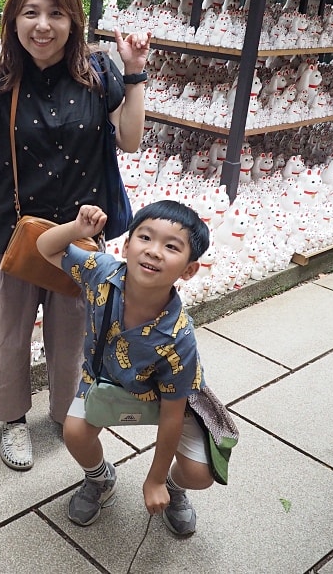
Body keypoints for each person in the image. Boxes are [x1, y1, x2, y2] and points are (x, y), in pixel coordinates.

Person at [0, 0, 150, 471]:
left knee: (73, 335)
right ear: (12, 21)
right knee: (6, 334)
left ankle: (65, 411)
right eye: (30, 13)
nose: (42, 25)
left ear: (73, 22)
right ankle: (11, 422)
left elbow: (129, 139)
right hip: (12, 235)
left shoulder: (97, 76)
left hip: (80, 238)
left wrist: (134, 72)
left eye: (55, 13)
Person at [36, 200, 214, 534]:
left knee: (201, 473)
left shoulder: (179, 338)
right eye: (145, 238)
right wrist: (78, 230)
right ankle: (100, 479)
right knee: (74, 431)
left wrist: (157, 479)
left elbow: (173, 414)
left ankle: (175, 491)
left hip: (167, 398)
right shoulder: (102, 272)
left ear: (189, 269)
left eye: (172, 246)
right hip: (103, 379)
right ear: (128, 245)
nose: (154, 251)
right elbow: (45, 247)